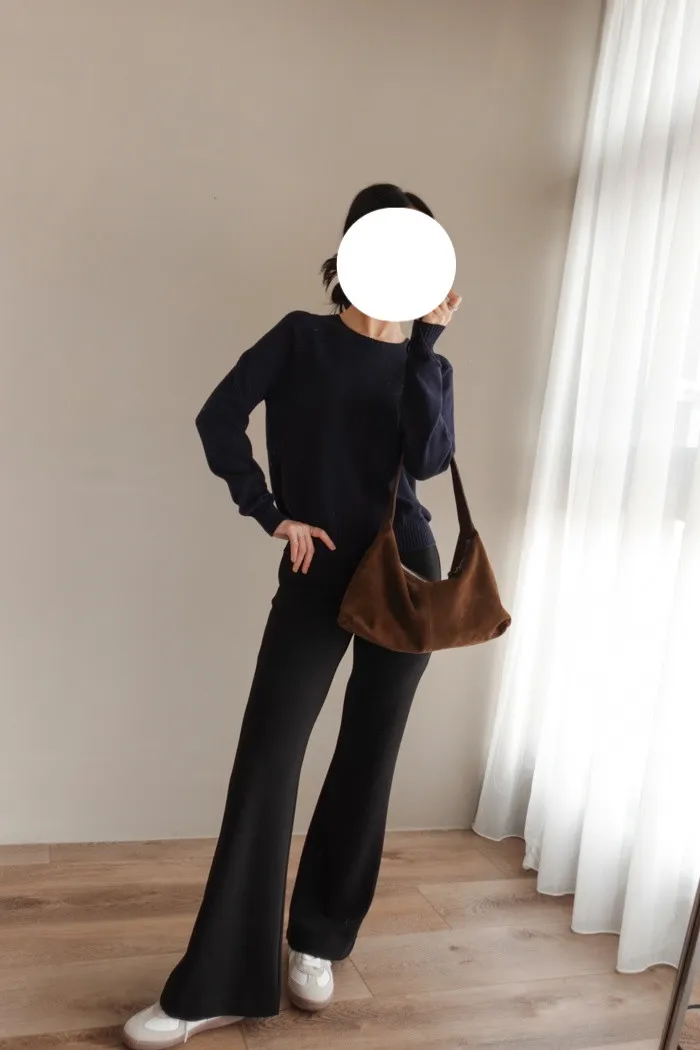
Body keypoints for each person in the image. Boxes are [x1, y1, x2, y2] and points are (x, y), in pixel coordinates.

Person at [122, 183, 460, 1049]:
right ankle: (218, 984)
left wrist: (428, 346)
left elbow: (430, 458)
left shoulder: (425, 361)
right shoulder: (300, 338)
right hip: (317, 573)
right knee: (268, 761)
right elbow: (217, 418)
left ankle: (319, 939)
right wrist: (271, 512)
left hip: (404, 573)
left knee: (368, 757)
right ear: (353, 252)